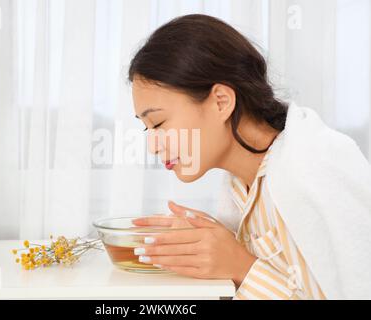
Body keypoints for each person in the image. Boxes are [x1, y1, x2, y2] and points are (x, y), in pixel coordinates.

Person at [129, 14, 371, 300]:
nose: (153, 146)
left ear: (221, 101)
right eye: (147, 128)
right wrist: (218, 245)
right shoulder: (240, 189)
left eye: (157, 123)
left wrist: (240, 265)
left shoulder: (316, 166)